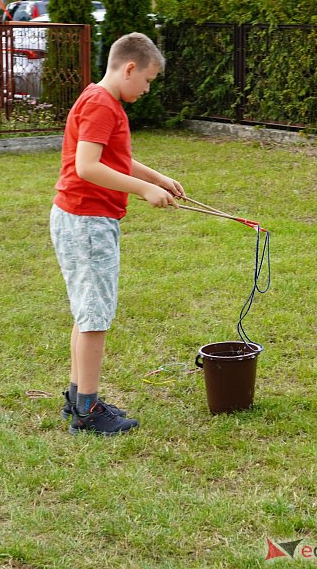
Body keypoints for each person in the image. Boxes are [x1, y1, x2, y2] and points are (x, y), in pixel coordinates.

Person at [52, 32, 184, 435]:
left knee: (86, 310)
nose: (146, 89)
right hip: (87, 222)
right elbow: (87, 166)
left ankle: (79, 398)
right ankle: (88, 414)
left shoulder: (99, 99)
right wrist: (143, 190)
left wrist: (155, 176)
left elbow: (115, 157)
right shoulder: (102, 105)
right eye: (146, 81)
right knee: (95, 316)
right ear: (129, 68)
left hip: (82, 219)